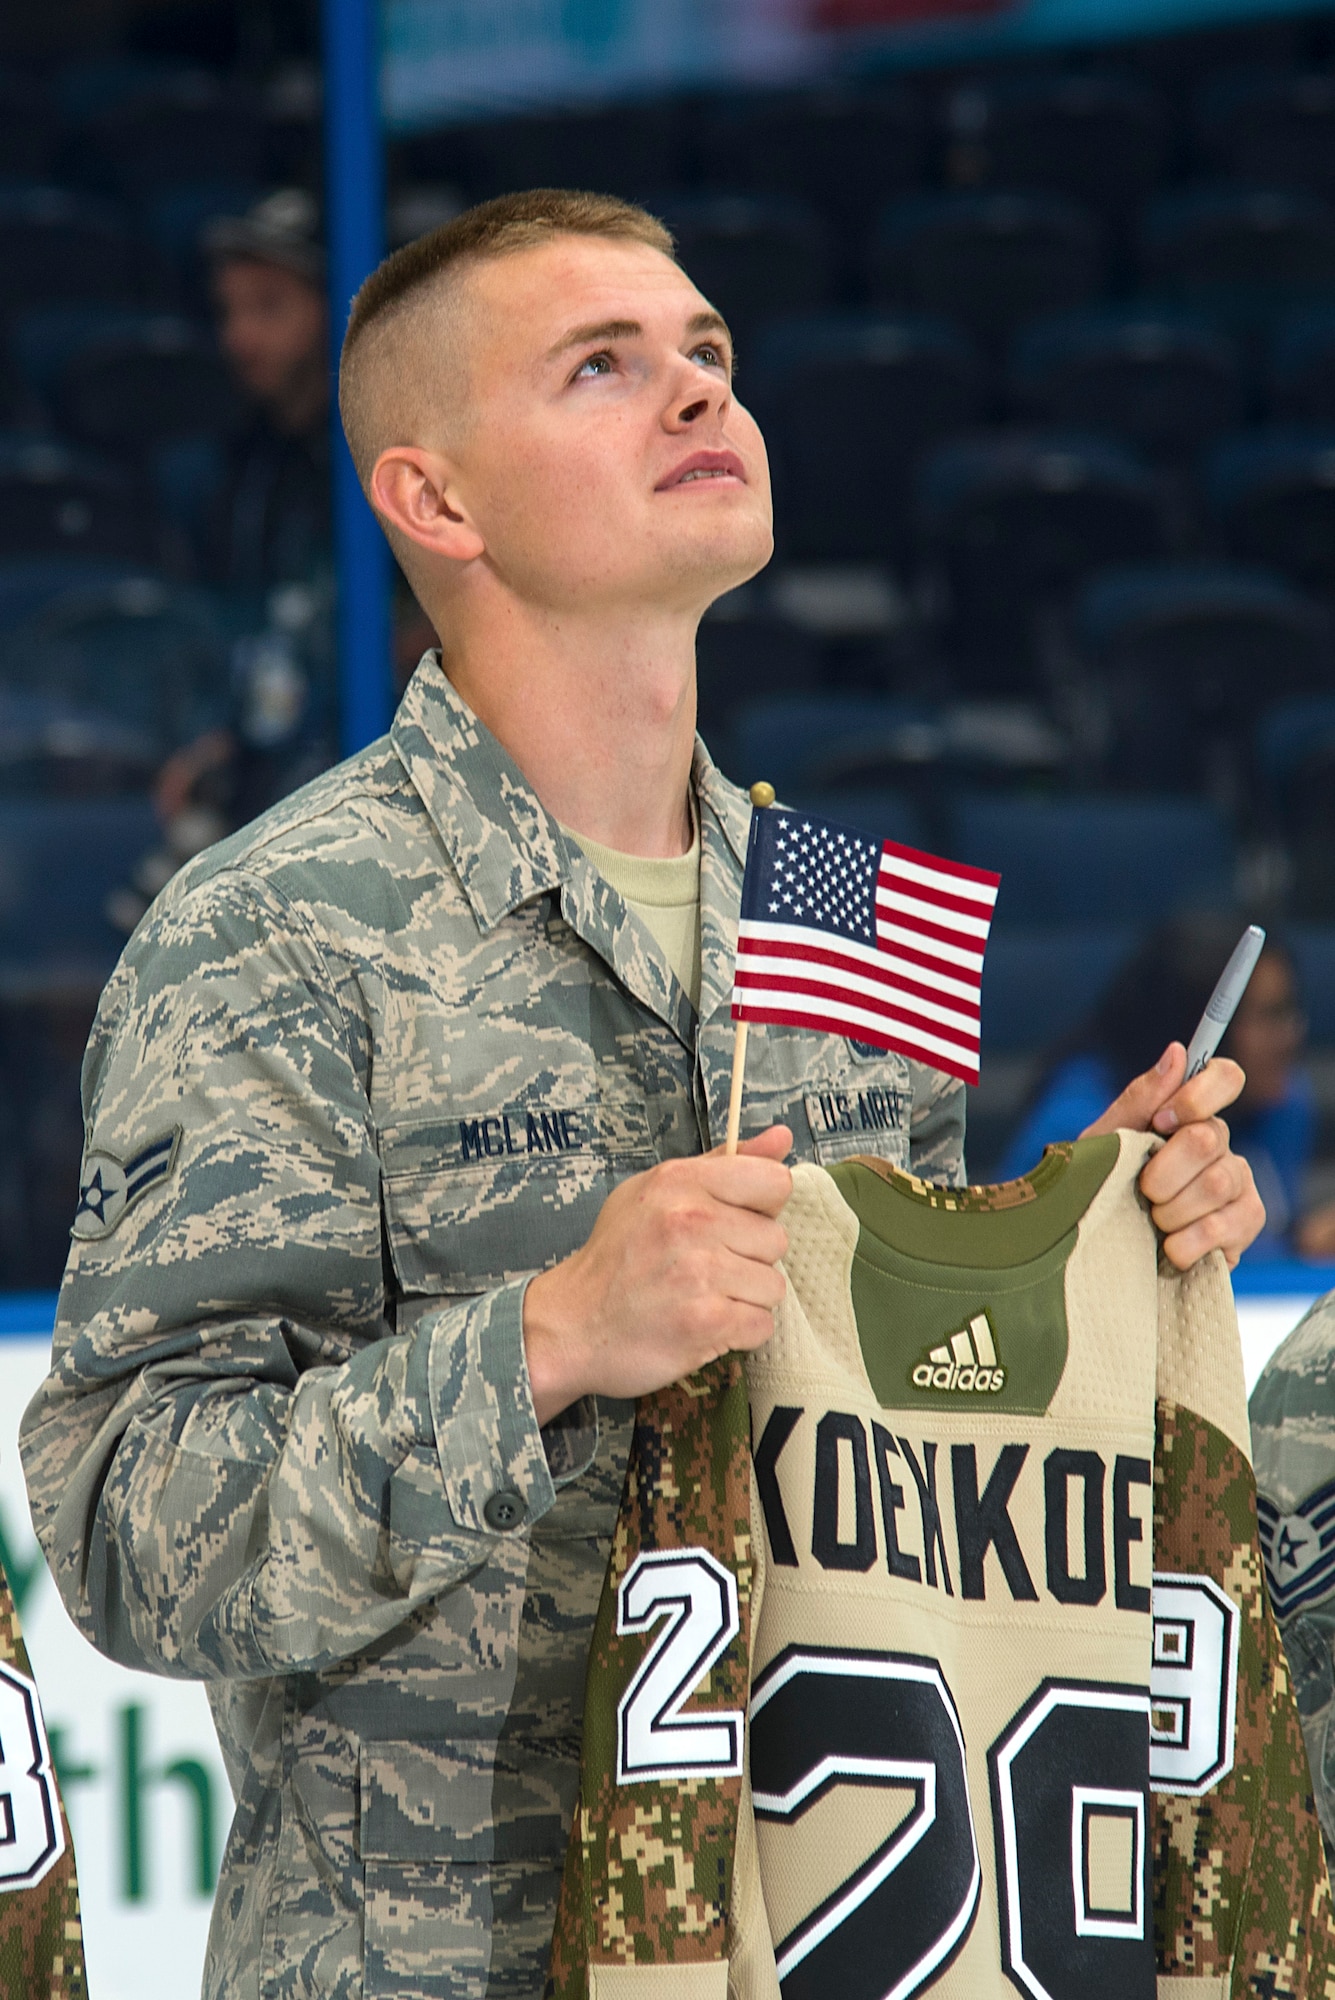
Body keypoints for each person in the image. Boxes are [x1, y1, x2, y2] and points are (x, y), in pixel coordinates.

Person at [19, 191, 1264, 2000]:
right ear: (433, 500)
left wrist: (1089, 1254)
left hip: (841, 1931)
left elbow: (907, 1463)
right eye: (603, 368)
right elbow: (136, 1539)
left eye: (708, 355)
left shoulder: (855, 911)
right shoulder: (276, 931)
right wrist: (548, 1337)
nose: (697, 395)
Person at [998, 915, 1335, 1259]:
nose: (1290, 1036)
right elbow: (1009, 1252)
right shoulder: (1076, 1120)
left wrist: (1302, 1245)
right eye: (1270, 1015)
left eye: (1291, 1009)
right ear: (1192, 1022)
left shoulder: (1285, 1107)